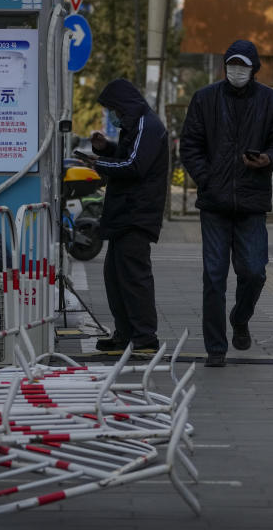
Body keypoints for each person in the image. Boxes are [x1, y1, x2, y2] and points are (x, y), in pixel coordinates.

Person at [179, 40, 273, 368]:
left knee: (255, 272)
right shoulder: (205, 98)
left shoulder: (271, 101)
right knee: (214, 277)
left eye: (243, 66)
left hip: (252, 202)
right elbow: (190, 145)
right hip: (214, 203)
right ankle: (216, 348)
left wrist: (267, 159)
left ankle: (240, 318)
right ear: (224, 66)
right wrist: (207, 177)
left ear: (255, 69)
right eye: (232, 64)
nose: (237, 71)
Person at [86, 78, 169, 354]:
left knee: (133, 277)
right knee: (115, 276)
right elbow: (126, 155)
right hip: (124, 214)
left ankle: (145, 337)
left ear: (123, 105)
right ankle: (125, 334)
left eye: (113, 109)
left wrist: (100, 162)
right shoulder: (135, 126)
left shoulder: (148, 126)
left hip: (137, 214)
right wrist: (105, 148)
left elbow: (134, 165)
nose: (112, 114)